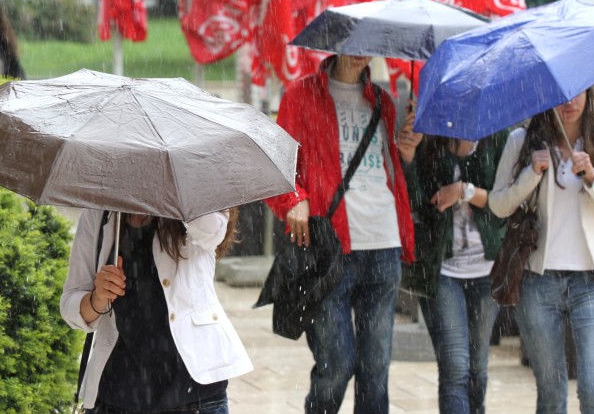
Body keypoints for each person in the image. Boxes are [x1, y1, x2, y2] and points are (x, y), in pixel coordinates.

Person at [264, 54, 417, 414]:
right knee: (337, 364)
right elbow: (276, 165)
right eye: (352, 42)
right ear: (333, 43)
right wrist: (294, 200)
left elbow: (384, 167)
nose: (360, 50)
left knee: (375, 370)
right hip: (329, 250)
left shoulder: (382, 100)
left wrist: (405, 153)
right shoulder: (300, 96)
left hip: (383, 244)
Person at [489, 88, 594, 413]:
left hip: (592, 283)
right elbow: (498, 205)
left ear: (589, 93)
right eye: (560, 94)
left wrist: (593, 177)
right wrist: (531, 174)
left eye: (577, 92)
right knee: (551, 394)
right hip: (539, 282)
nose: (569, 102)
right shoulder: (522, 141)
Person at [60, 209, 253, 413]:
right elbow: (69, 304)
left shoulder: (195, 201)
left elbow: (213, 231)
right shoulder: (99, 213)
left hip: (195, 393)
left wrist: (174, 186)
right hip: (117, 393)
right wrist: (96, 299)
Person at [404, 119, 508, 414]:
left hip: (487, 270)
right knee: (454, 367)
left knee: (477, 368)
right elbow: (417, 202)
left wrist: (464, 191)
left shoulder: (499, 136)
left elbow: (506, 202)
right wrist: (409, 158)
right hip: (442, 271)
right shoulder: (431, 137)